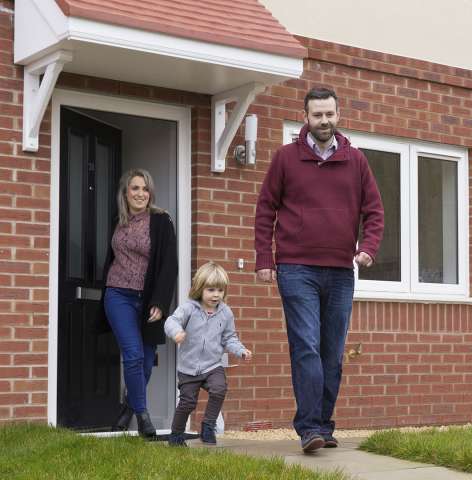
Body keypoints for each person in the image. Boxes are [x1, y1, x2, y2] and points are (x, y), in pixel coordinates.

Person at [254, 87, 384, 453]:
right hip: (297, 268)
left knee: (332, 353)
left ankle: (324, 424)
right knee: (307, 346)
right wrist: (265, 258)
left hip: (342, 271)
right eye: (317, 115)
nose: (324, 121)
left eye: (329, 114)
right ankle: (309, 427)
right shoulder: (285, 158)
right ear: (306, 117)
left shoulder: (356, 161)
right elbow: (266, 209)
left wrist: (367, 248)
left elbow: (374, 211)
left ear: (337, 114)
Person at [98, 168, 178, 438]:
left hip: (147, 301)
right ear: (125, 192)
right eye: (135, 188)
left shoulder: (161, 221)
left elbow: (169, 265)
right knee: (132, 355)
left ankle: (128, 409)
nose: (141, 194)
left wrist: (160, 302)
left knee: (144, 362)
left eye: (145, 189)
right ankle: (143, 419)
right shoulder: (117, 221)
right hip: (118, 295)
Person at [164, 261, 252, 447]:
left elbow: (230, 338)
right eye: (211, 290)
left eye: (220, 290)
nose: (216, 295)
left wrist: (241, 351)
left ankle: (208, 426)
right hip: (189, 368)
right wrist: (177, 333)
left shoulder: (225, 313)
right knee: (188, 402)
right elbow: (171, 322)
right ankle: (176, 435)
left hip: (212, 365)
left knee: (219, 389)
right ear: (199, 288)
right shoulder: (189, 308)